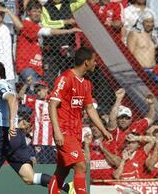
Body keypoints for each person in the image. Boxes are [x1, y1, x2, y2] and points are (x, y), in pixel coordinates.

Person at [0, 60, 52, 194]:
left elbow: (12, 100)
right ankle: (68, 188)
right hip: (16, 137)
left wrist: (11, 124)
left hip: (6, 133)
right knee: (29, 178)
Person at [48, 47, 113, 194]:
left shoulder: (86, 83)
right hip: (64, 132)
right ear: (86, 62)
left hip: (76, 133)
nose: (96, 64)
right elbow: (52, 105)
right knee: (81, 166)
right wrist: (57, 132)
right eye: (94, 61)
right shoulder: (65, 78)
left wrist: (103, 130)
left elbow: (90, 108)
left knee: (62, 170)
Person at [16, 0, 81, 86]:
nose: (37, 14)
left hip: (37, 68)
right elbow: (47, 32)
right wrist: (69, 31)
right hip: (27, 67)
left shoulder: (37, 24)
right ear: (28, 12)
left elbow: (50, 25)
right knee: (36, 94)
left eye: (39, 11)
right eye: (34, 11)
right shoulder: (26, 24)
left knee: (34, 95)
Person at [19, 79, 56, 164]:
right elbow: (20, 95)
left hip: (52, 139)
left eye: (40, 90)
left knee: (53, 163)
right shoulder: (35, 101)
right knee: (40, 163)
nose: (38, 92)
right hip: (39, 139)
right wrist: (26, 84)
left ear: (46, 89)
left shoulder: (54, 101)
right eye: (36, 90)